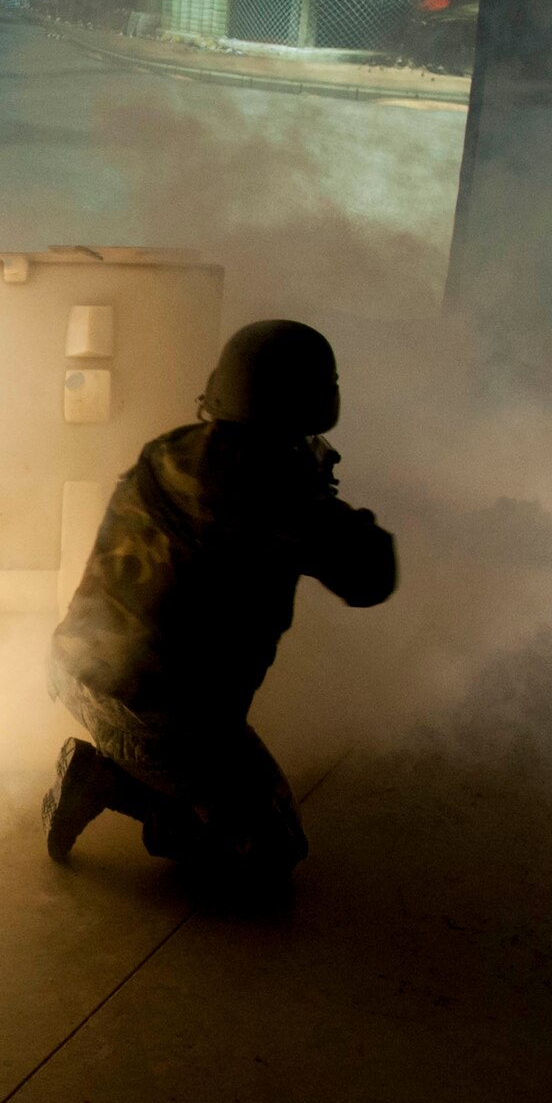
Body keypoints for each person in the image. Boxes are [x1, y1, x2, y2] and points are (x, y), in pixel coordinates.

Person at [41, 320, 397, 895]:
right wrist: (323, 502)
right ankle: (108, 781)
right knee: (272, 855)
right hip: (157, 719)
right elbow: (371, 577)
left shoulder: (170, 451)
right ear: (315, 403)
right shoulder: (282, 498)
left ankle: (122, 770)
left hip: (73, 669)